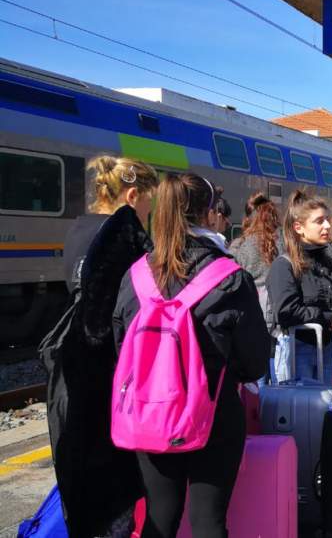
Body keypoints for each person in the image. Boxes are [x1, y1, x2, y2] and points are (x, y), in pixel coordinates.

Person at [112, 173, 269, 537]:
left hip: (149, 412)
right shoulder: (230, 277)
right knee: (208, 522)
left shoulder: (135, 276)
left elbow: (122, 347)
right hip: (213, 415)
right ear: (209, 213)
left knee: (158, 518)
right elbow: (254, 363)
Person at [47, 156, 157, 537]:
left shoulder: (78, 230)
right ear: (131, 196)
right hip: (110, 379)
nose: (148, 214)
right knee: (115, 494)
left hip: (72, 377)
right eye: (147, 205)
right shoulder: (121, 236)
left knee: (85, 493)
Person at [267, 190, 332, 382]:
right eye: (319, 221)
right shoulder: (284, 265)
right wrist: (326, 318)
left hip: (327, 350)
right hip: (297, 351)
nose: (327, 226)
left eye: (328, 219)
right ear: (299, 227)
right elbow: (286, 311)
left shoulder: (330, 264)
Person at [230, 193, 283, 379]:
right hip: (277, 312)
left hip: (252, 311)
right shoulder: (281, 243)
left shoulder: (241, 245)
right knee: (278, 366)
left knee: (257, 371)